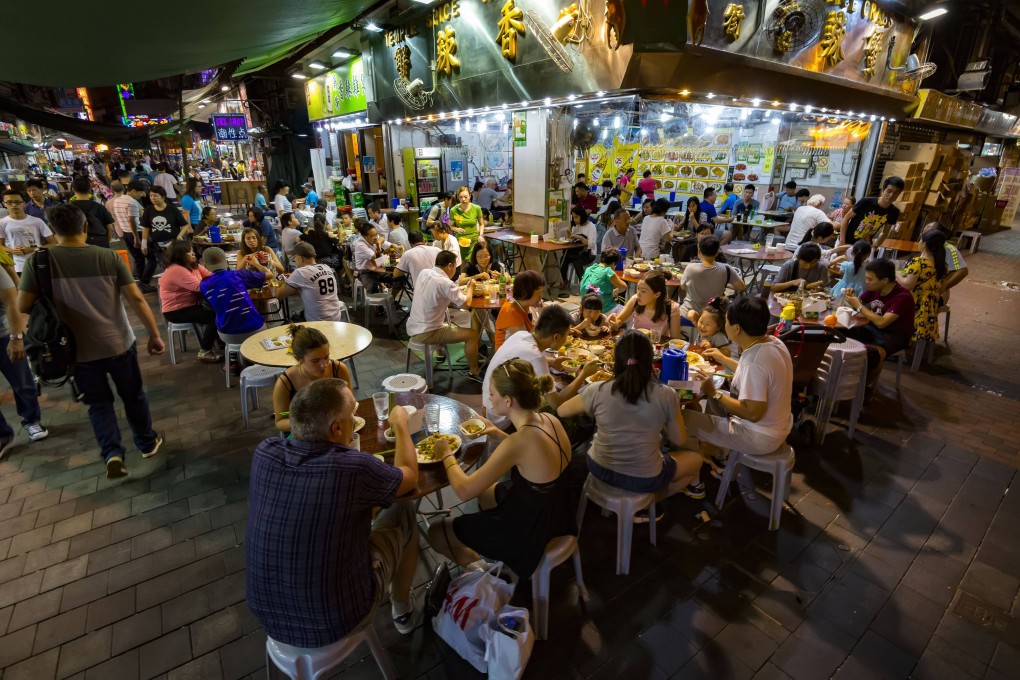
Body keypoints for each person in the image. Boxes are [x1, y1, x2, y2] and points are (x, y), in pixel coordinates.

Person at [247, 379, 420, 646]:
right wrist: (400, 424)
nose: (355, 419)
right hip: (340, 617)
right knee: (404, 511)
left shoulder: (264, 453)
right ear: (337, 428)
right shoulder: (352, 468)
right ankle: (402, 606)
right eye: (353, 414)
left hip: (266, 614)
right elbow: (409, 477)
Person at [17, 204, 165, 479]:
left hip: (76, 351)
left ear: (53, 230)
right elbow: (135, 298)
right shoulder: (108, 257)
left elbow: (23, 304)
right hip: (118, 342)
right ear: (85, 227)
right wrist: (154, 334)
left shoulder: (39, 261)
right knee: (133, 395)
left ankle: (112, 454)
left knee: (98, 404)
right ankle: (146, 443)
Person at [428, 359, 576, 576]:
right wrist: (497, 433)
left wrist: (446, 454)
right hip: (559, 513)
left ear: (507, 400)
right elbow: (535, 455)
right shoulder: (548, 420)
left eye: (492, 393)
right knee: (487, 492)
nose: (489, 398)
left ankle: (483, 570)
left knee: (436, 532)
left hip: (531, 533)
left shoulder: (517, 443)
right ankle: (493, 548)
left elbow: (464, 490)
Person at [558, 331, 705, 497]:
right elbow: (679, 439)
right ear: (651, 361)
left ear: (616, 360)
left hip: (597, 467)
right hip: (644, 478)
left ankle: (636, 505)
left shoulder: (597, 389)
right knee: (695, 459)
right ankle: (648, 502)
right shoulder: (667, 394)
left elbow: (562, 411)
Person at [682, 297, 793, 461]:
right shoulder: (773, 342)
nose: (725, 326)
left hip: (758, 437)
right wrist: (724, 359)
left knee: (680, 417)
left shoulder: (754, 361)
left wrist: (714, 393)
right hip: (779, 426)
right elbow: (755, 374)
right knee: (714, 397)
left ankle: (700, 464)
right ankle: (715, 450)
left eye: (726, 322)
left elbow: (753, 413)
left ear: (737, 328)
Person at [482, 304, 598, 430]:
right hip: (502, 419)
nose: (567, 338)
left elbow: (526, 356)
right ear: (556, 337)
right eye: (567, 335)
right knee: (567, 412)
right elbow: (557, 403)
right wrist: (583, 374)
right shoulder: (537, 359)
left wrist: (552, 362)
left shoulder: (521, 335)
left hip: (489, 405)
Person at [406, 250, 482, 379]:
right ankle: (474, 371)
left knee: (443, 321)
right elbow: (466, 305)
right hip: (427, 333)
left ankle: (441, 355)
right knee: (472, 334)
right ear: (450, 266)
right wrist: (470, 288)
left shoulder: (424, 273)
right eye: (455, 267)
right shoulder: (446, 283)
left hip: (412, 326)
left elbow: (436, 297)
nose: (455, 271)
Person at [0, 263, 48, 456]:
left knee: (22, 383)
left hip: (4, 336)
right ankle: (2, 434)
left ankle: (31, 421)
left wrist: (16, 338)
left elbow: (11, 300)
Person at [844, 258, 916, 381]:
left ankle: (866, 388)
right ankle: (842, 376)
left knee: (871, 355)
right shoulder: (875, 289)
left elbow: (882, 323)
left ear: (885, 280)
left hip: (894, 335)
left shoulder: (902, 297)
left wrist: (858, 306)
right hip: (872, 328)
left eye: (870, 279)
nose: (867, 282)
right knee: (841, 335)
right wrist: (851, 299)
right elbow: (858, 305)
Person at [271, 326, 352, 433]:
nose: (324, 365)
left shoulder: (339, 369)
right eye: (315, 361)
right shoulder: (285, 383)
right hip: (303, 434)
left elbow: (350, 403)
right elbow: (280, 421)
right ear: (299, 359)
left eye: (326, 357)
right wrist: (311, 424)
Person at [159, 240, 221, 363]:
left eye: (192, 250)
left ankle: (221, 344)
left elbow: (210, 276)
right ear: (179, 255)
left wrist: (222, 279)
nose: (193, 254)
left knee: (219, 310)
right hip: (177, 310)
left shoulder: (193, 265)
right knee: (215, 316)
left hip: (191, 304)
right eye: (189, 252)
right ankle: (205, 351)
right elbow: (200, 287)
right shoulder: (176, 270)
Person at [199, 247, 271, 344]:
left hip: (226, 335)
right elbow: (270, 274)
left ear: (205, 265)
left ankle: (233, 355)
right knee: (262, 323)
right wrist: (255, 263)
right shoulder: (238, 275)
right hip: (253, 330)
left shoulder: (203, 284)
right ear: (226, 262)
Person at [678, 236, 745, 322]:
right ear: (717, 252)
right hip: (713, 318)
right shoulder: (726, 269)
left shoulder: (690, 268)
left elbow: (683, 287)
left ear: (699, 252)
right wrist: (724, 282)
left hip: (688, 314)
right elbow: (742, 287)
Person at [897, 230, 947, 345]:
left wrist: (896, 274)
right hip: (930, 305)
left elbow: (908, 284)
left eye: (920, 240)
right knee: (919, 333)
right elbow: (941, 288)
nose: (918, 243)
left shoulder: (918, 262)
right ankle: (915, 356)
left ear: (924, 244)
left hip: (915, 302)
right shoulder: (942, 265)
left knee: (907, 330)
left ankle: (902, 354)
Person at [276, 243, 346, 322]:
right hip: (335, 317)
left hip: (316, 321)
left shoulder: (300, 272)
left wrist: (272, 279)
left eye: (294, 258)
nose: (295, 261)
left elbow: (279, 295)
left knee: (290, 322)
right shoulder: (326, 267)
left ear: (299, 258)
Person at [140, 186, 190, 293]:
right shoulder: (148, 210)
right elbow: (146, 227)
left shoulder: (172, 209)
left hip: (173, 245)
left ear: (163, 197)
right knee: (165, 266)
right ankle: (172, 287)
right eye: (151, 196)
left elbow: (184, 225)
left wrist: (180, 235)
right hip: (157, 246)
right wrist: (144, 243)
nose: (152, 198)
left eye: (155, 195)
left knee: (177, 264)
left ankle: (182, 285)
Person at [609, 270, 682, 340]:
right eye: (638, 289)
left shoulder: (671, 308)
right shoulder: (635, 300)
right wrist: (614, 324)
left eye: (643, 291)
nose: (638, 294)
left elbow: (675, 340)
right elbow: (618, 321)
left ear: (657, 294)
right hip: (636, 343)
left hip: (659, 347)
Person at [0, 188, 56, 273]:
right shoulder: (2, 223)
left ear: (23, 203)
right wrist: (12, 250)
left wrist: (34, 249)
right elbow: (1, 246)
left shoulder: (37, 221)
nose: (14, 205)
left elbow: (53, 243)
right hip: (18, 266)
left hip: (39, 263)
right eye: (9, 202)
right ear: (4, 204)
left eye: (17, 202)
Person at [839, 177, 904, 246]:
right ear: (883, 190)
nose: (891, 195)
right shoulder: (866, 202)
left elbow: (885, 232)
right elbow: (846, 219)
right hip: (846, 241)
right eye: (889, 191)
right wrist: (842, 241)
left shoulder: (894, 212)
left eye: (896, 193)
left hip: (864, 246)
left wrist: (875, 246)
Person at [494, 270, 543, 351]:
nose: (541, 296)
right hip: (507, 359)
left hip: (520, 352)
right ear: (525, 293)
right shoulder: (510, 311)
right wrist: (542, 317)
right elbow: (525, 342)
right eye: (539, 292)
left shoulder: (527, 306)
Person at [921, 221, 969, 301]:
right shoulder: (927, 247)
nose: (923, 239)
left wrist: (942, 288)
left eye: (929, 234)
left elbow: (963, 271)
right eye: (923, 235)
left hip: (936, 294)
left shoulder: (948, 249)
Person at [108, 181, 147, 279]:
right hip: (135, 232)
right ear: (133, 191)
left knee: (136, 256)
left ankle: (137, 276)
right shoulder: (132, 202)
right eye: (141, 192)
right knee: (149, 258)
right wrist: (136, 238)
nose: (142, 195)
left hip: (123, 231)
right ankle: (143, 280)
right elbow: (133, 219)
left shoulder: (114, 201)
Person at [579, 247, 626, 313]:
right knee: (630, 313)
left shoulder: (589, 269)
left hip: (585, 309)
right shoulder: (608, 271)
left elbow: (581, 284)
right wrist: (615, 291)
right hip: (604, 310)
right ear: (613, 263)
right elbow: (623, 287)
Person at [351, 221, 394, 293]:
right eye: (372, 236)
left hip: (377, 266)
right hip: (365, 271)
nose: (375, 237)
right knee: (373, 286)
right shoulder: (360, 244)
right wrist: (379, 244)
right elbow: (375, 257)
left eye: (376, 234)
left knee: (398, 276)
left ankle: (393, 300)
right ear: (365, 237)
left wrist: (393, 247)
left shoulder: (374, 238)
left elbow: (389, 245)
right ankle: (376, 303)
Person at [560, 205, 598, 286]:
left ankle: (584, 284)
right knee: (563, 259)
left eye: (576, 217)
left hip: (589, 253)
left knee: (577, 261)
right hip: (577, 252)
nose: (575, 219)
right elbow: (573, 240)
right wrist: (570, 236)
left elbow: (591, 244)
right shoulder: (576, 225)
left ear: (582, 215)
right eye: (573, 217)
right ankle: (564, 280)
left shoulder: (591, 227)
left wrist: (580, 237)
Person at [449, 185, 486, 260]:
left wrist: (481, 235)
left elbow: (482, 224)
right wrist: (457, 229)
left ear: (470, 196)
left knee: (475, 261)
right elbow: (450, 226)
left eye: (465, 197)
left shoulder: (476, 208)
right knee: (463, 263)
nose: (463, 199)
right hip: (461, 241)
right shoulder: (453, 210)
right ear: (458, 197)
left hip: (475, 240)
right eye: (461, 197)